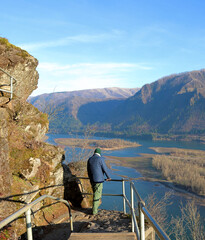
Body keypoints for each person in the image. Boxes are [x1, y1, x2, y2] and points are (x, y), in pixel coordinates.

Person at [87, 148, 111, 215]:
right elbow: (105, 169)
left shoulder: (90, 159)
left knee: (95, 194)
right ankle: (94, 211)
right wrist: (108, 177)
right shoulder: (100, 159)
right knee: (97, 195)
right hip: (99, 180)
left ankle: (94, 209)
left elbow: (88, 170)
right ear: (99, 153)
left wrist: (90, 178)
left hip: (92, 180)